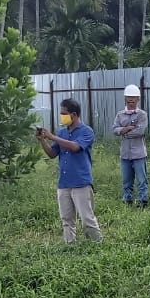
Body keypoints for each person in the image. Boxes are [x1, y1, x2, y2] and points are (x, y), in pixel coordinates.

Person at [37, 98, 102, 243]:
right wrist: (43, 140)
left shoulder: (87, 131)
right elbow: (52, 154)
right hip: (64, 182)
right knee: (66, 219)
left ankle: (98, 245)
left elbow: (75, 147)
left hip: (81, 182)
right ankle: (70, 245)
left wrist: (52, 136)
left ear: (74, 114)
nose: (62, 116)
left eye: (64, 113)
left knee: (87, 218)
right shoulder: (62, 132)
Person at [112, 84, 149, 207]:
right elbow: (114, 129)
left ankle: (142, 200)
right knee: (127, 180)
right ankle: (127, 199)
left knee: (141, 179)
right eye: (129, 98)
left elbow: (140, 131)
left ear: (138, 99)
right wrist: (127, 128)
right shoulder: (120, 114)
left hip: (139, 153)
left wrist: (123, 132)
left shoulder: (142, 115)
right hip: (125, 153)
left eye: (134, 98)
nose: (131, 100)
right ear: (125, 99)